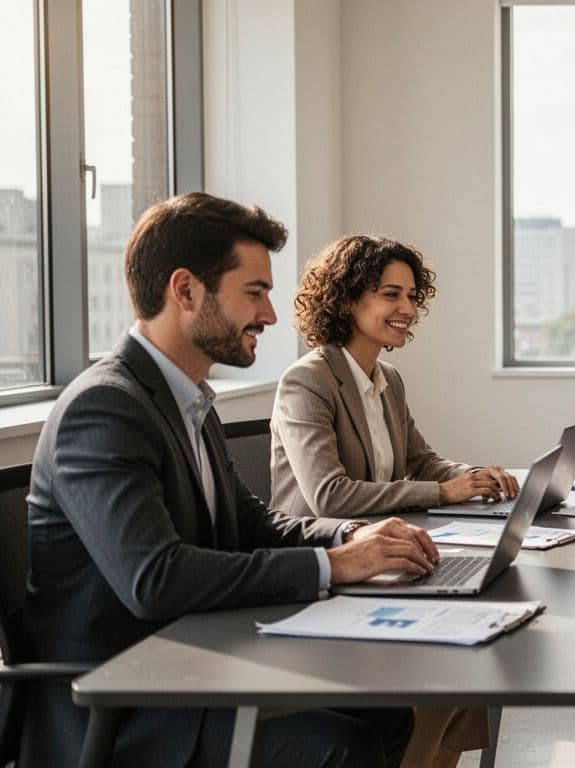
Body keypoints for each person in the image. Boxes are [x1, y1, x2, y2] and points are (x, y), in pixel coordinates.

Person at [22, 193, 442, 767]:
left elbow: (249, 522)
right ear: (186, 291)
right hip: (124, 700)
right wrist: (334, 566)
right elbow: (157, 578)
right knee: (345, 746)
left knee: (386, 715)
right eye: (254, 293)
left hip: (195, 659)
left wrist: (350, 538)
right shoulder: (104, 408)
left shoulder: (185, 400)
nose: (270, 315)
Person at [269, 234, 513, 767]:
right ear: (347, 299)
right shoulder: (307, 382)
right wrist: (441, 491)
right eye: (390, 295)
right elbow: (328, 496)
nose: (407, 309)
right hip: (325, 574)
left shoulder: (388, 379)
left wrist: (470, 476)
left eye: (410, 296)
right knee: (436, 679)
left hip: (380, 564)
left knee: (470, 661)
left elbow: (423, 460)